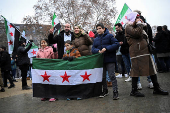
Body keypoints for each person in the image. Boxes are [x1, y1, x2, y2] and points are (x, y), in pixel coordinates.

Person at [125, 12, 168, 97]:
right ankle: (134, 90)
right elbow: (137, 33)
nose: (139, 19)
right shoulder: (128, 27)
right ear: (133, 18)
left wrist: (143, 25)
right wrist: (140, 24)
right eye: (137, 17)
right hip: (136, 52)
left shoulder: (138, 26)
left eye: (139, 17)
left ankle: (156, 88)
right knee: (135, 70)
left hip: (145, 50)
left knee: (151, 68)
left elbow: (146, 34)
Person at [92, 23, 120, 100]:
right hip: (101, 60)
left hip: (110, 59)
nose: (98, 30)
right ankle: (105, 90)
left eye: (100, 28)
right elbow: (93, 49)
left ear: (104, 29)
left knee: (111, 75)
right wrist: (97, 51)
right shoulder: (96, 39)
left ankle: (115, 91)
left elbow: (116, 44)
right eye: (97, 29)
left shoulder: (110, 36)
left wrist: (107, 48)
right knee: (103, 77)